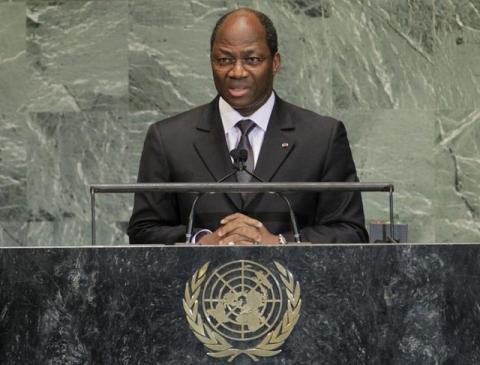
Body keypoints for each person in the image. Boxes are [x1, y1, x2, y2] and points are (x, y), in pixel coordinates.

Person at [127, 8, 368, 245]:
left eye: (252, 59)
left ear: (275, 63)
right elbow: (143, 231)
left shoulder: (321, 137)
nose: (237, 71)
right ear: (211, 61)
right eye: (224, 60)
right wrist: (199, 241)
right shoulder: (169, 138)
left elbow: (349, 230)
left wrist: (280, 242)